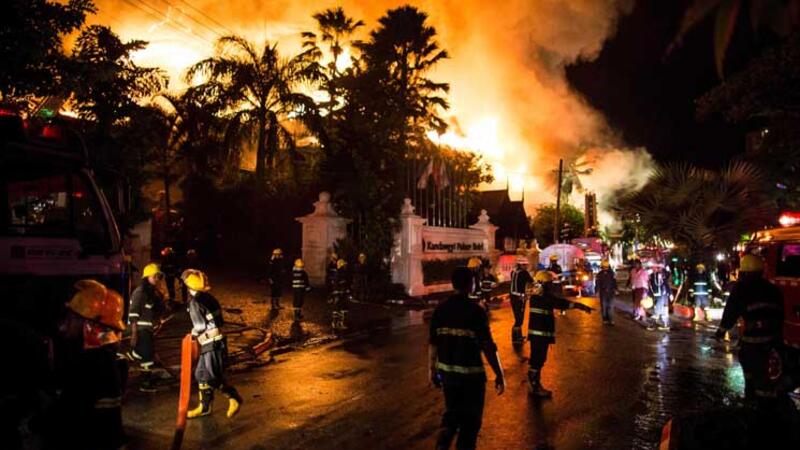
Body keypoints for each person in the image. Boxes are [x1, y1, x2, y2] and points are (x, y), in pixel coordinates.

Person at [429, 267, 505, 450]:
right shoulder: (476, 312)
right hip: (472, 378)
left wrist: (432, 371)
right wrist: (499, 373)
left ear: (453, 284)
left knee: (452, 412)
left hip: (448, 375)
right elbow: (487, 346)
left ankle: (444, 439)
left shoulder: (440, 310)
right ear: (471, 285)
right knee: (470, 422)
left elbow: (433, 344)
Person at [52, 280, 127, 448]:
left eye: (73, 318)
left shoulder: (91, 362)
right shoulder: (106, 354)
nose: (65, 325)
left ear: (90, 326)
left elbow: (69, 412)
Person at [714, 255, 784, 403]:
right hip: (773, 338)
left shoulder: (741, 288)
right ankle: (768, 400)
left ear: (744, 271)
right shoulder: (772, 288)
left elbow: (731, 311)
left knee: (751, 367)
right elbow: (781, 313)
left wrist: (721, 331)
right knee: (767, 370)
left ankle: (754, 401)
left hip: (753, 339)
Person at [183, 270, 243, 419]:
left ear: (189, 287)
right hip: (215, 341)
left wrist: (192, 333)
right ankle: (205, 407)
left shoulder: (195, 303)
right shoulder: (209, 298)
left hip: (211, 343)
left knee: (212, 376)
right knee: (201, 374)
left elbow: (199, 327)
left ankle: (233, 397)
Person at [527, 270, 592, 398]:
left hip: (539, 334)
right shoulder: (543, 296)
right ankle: (534, 386)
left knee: (537, 359)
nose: (552, 285)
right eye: (549, 283)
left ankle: (534, 384)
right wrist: (579, 306)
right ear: (544, 283)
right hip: (540, 334)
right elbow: (560, 303)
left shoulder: (537, 295)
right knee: (538, 359)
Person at [127, 263, 165, 392]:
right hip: (140, 329)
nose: (157, 279)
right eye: (155, 276)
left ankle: (133, 354)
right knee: (147, 356)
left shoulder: (152, 293)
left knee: (148, 354)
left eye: (159, 276)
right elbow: (133, 313)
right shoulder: (140, 292)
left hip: (147, 329)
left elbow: (156, 310)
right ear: (147, 277)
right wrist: (134, 334)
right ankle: (145, 384)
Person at [509, 261, 533, 343]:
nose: (526, 266)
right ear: (521, 265)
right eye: (525, 265)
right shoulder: (524, 273)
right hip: (520, 297)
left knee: (517, 317)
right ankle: (515, 338)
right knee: (519, 319)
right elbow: (531, 281)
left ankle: (518, 336)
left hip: (513, 297)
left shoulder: (513, 272)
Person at [331, 259, 352, 332]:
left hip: (339, 293)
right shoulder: (342, 273)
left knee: (338, 308)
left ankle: (336, 323)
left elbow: (335, 284)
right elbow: (345, 283)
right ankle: (339, 323)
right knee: (342, 308)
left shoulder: (337, 273)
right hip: (342, 293)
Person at [649, 265, 671, 331]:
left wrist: (670, 293)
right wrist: (650, 294)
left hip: (662, 295)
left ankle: (653, 325)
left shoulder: (662, 275)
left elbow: (666, 282)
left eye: (656, 268)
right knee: (661, 309)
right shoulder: (652, 275)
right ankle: (665, 325)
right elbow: (651, 286)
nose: (654, 268)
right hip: (657, 295)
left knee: (659, 310)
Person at [595, 260, 617, 325]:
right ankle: (607, 319)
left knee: (608, 306)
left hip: (608, 292)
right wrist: (597, 291)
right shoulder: (600, 274)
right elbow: (597, 283)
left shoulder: (611, 273)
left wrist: (616, 289)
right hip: (605, 292)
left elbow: (614, 282)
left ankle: (609, 319)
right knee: (606, 306)